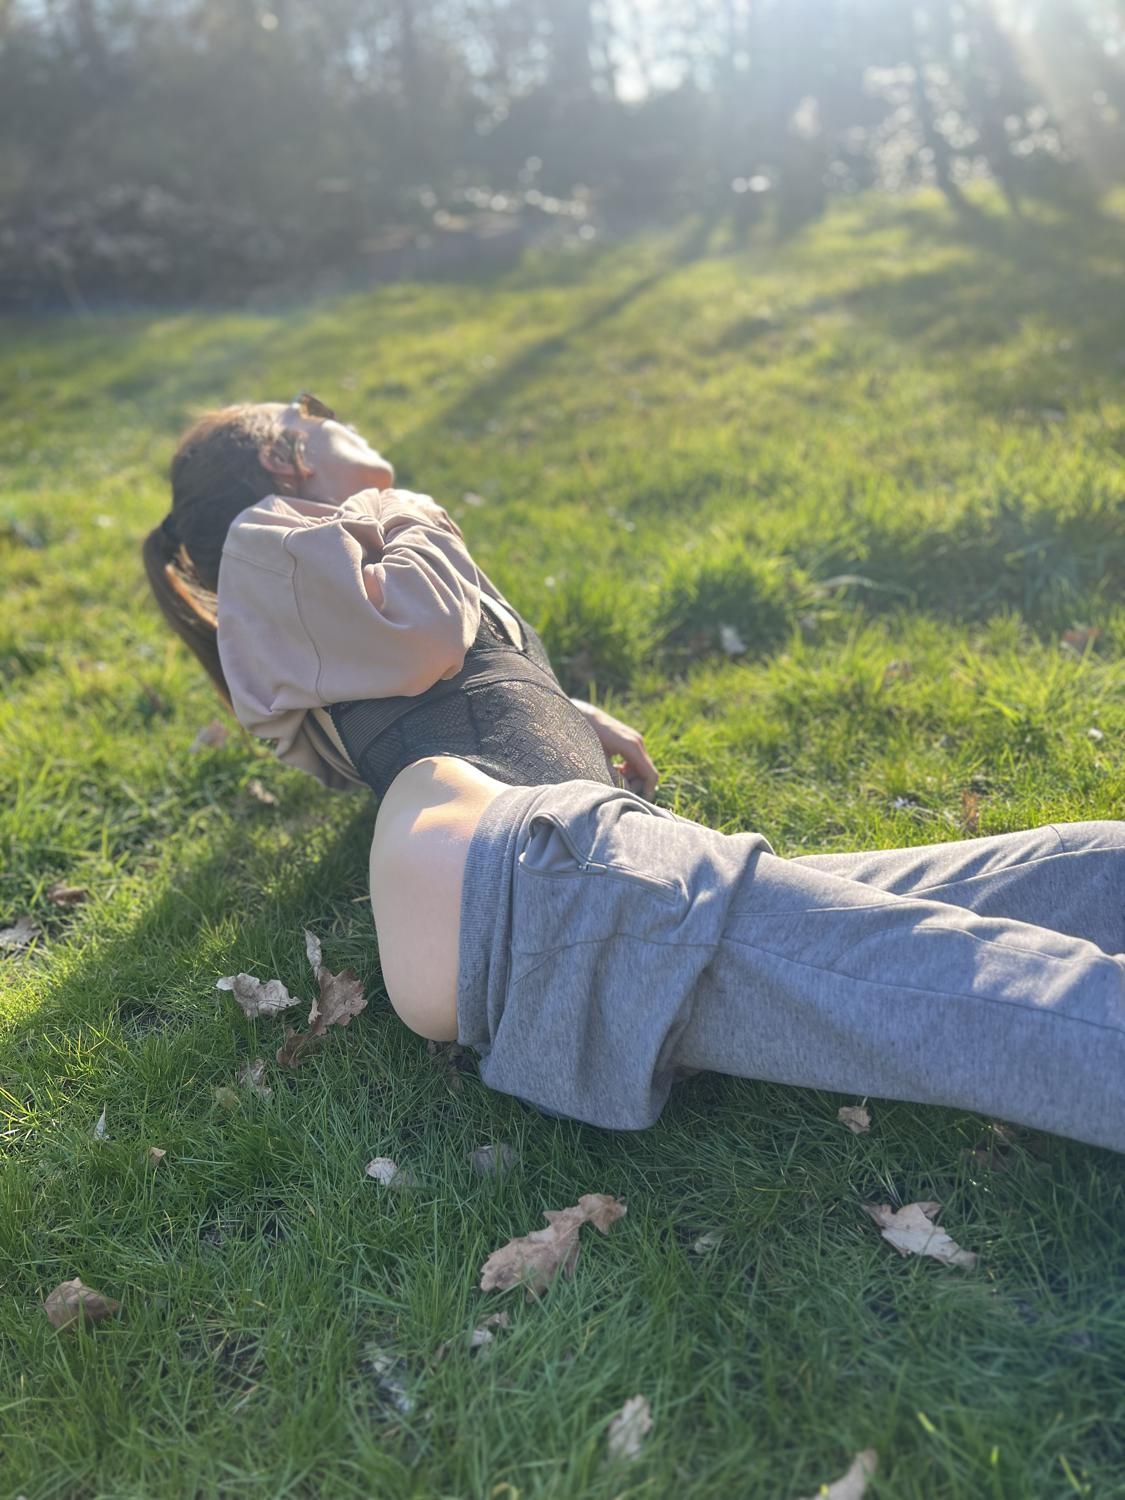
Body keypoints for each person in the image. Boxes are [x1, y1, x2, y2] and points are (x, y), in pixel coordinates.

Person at [143, 396, 1125, 1154]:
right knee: (980, 988)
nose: (348, 420)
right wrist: (404, 508)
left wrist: (553, 708)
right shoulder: (277, 534)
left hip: (550, 901)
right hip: (540, 881)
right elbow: (426, 635)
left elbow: (389, 695)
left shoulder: (309, 594)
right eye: (320, 412)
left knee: (1073, 870)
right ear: (287, 454)